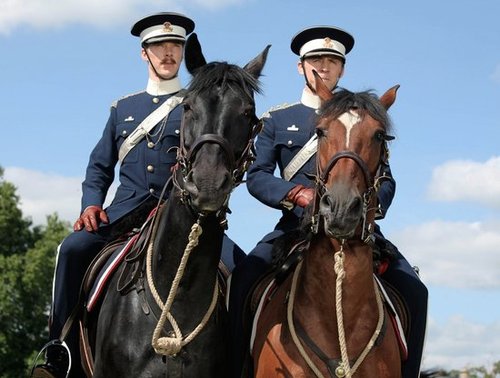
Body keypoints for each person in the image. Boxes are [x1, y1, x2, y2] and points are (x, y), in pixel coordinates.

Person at [32, 12, 243, 378]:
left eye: (175, 46)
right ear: (144, 54)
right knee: (71, 250)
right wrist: (91, 205)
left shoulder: (197, 104)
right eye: (159, 47)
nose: (168, 54)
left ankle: (242, 361)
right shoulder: (123, 109)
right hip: (124, 213)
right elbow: (99, 167)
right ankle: (58, 353)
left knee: (239, 270)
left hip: (181, 213)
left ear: (182, 53)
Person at [228, 26, 428, 378]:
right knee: (243, 278)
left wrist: (370, 206)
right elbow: (257, 176)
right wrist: (295, 194)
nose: (324, 66)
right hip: (295, 228)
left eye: (332, 61)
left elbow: (386, 179)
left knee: (414, 290)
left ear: (342, 70)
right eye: (315, 60)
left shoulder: (364, 118)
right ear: (300, 67)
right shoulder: (278, 118)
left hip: (359, 228)